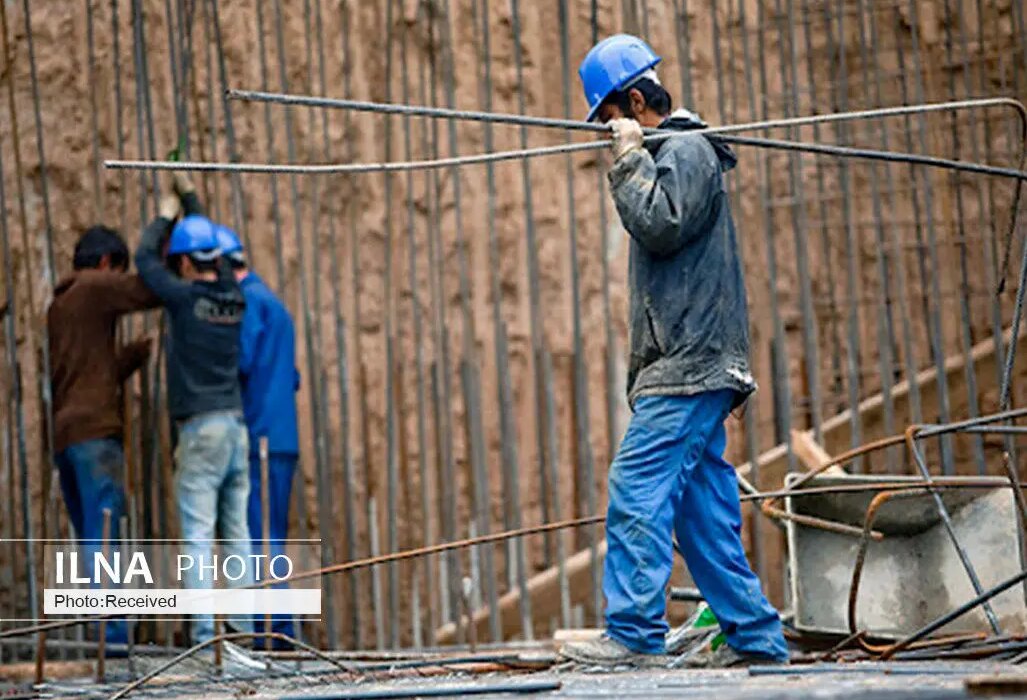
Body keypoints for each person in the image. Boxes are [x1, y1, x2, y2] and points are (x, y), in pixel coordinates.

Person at [560, 34, 788, 668]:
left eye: (609, 118)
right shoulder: (677, 151)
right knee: (702, 512)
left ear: (634, 100)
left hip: (688, 364)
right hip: (691, 361)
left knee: (638, 484)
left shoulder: (686, 148)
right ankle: (758, 639)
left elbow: (658, 225)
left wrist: (630, 161)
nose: (607, 132)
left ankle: (632, 633)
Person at [134, 175, 253, 644]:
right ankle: (242, 630)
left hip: (201, 430)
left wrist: (166, 215)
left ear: (184, 261)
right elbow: (215, 254)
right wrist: (191, 202)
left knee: (199, 536)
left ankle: (205, 634)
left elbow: (145, 261)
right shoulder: (233, 297)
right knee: (237, 534)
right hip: (235, 428)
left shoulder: (185, 300)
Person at [48, 225, 160, 645]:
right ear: (105, 263)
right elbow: (148, 290)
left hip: (66, 436)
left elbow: (88, 371)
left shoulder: (60, 304)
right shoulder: (95, 287)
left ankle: (101, 627)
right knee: (105, 533)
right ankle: (110, 633)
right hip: (96, 434)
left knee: (89, 537)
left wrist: (131, 357)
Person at [214, 224, 300, 647]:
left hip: (260, 436)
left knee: (258, 535)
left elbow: (240, 360)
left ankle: (276, 631)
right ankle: (278, 629)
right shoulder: (277, 306)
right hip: (283, 436)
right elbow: (292, 376)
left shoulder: (248, 303)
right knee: (273, 534)